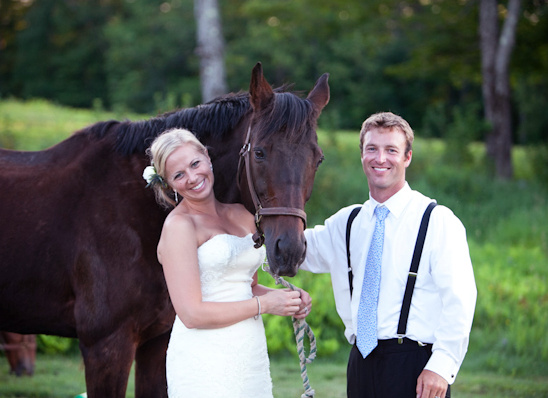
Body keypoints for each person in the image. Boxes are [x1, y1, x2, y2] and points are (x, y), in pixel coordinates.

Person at [300, 112, 477, 398]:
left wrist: (442, 366)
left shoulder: (437, 220)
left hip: (417, 365)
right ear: (362, 155)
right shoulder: (347, 222)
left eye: (391, 150)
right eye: (372, 148)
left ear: (407, 157)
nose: (380, 158)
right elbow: (293, 251)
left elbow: (460, 300)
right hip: (360, 363)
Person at [143, 128, 311, 398]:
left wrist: (285, 299)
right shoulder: (179, 227)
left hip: (248, 352)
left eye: (195, 164)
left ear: (207, 158)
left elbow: (247, 286)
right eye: (179, 175)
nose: (192, 177)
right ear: (169, 185)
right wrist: (265, 305)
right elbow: (191, 314)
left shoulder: (242, 214)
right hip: (204, 358)